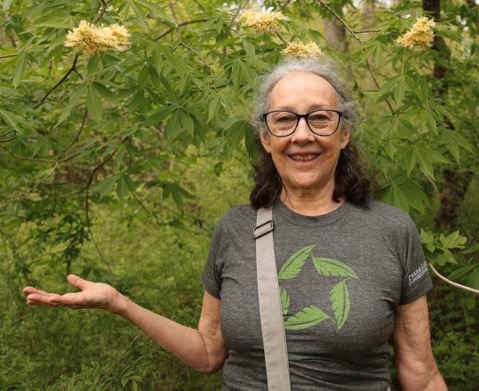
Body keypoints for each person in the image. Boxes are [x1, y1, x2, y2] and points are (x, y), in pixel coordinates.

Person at [23, 57, 447, 390]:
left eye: (319, 118)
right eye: (284, 120)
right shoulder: (235, 230)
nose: (302, 135)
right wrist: (121, 304)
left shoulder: (392, 231)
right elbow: (209, 354)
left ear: (344, 132)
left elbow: (420, 373)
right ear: (266, 137)